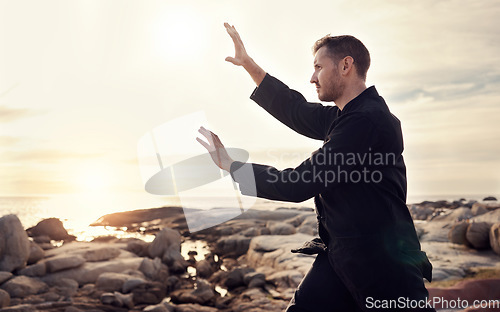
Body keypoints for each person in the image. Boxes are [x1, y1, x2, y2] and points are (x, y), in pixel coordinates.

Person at [197, 23, 435, 312]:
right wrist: (248, 64)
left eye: (318, 67)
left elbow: (298, 183)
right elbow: (295, 110)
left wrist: (232, 167)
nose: (312, 78)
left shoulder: (367, 121)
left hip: (384, 266)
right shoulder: (346, 115)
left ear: (346, 65)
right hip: (341, 259)